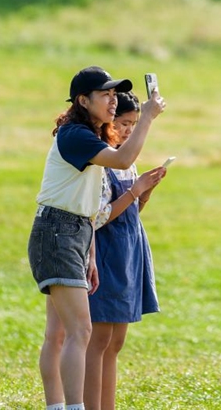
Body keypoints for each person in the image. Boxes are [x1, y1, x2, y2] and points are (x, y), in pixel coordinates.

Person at [28, 66, 165, 410]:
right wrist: (147, 116)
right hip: (58, 231)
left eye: (114, 94)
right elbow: (123, 159)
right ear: (83, 100)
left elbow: (89, 203)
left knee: (67, 333)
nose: (113, 101)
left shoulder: (90, 135)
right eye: (105, 94)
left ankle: (60, 407)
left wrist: (89, 253)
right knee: (80, 331)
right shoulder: (75, 135)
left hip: (75, 232)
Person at [84, 91, 166, 410]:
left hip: (129, 253)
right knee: (100, 340)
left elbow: (131, 212)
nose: (129, 130)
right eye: (124, 123)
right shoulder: (103, 163)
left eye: (134, 123)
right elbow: (100, 217)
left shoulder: (127, 162)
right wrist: (135, 191)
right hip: (106, 255)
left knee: (116, 342)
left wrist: (145, 193)